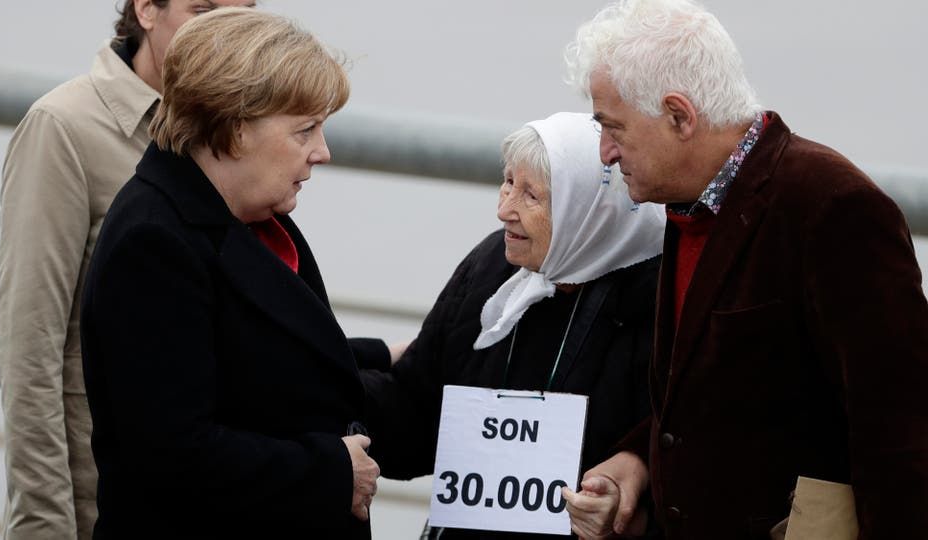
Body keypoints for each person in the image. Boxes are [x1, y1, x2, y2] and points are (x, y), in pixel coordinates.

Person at [559, 1, 928, 539]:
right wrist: (636, 461)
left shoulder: (832, 206)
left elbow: (901, 431)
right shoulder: (689, 204)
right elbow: (722, 395)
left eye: (613, 128)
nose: (605, 152)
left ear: (680, 116)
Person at [79, 8, 381, 538]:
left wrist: (384, 355)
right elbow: (173, 452)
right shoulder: (153, 243)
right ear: (237, 127)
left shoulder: (246, 217)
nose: (322, 152)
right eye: (305, 129)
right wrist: (333, 470)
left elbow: (257, 358)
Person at [0, 1, 255, 537]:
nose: (224, 34)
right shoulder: (65, 127)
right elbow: (30, 346)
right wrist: (43, 524)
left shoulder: (240, 136)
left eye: (243, 14)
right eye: (203, 10)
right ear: (146, 9)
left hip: (212, 496)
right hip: (100, 503)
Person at [361, 112, 667, 539]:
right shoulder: (494, 267)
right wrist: (324, 392)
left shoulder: (656, 299)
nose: (504, 209)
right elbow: (418, 408)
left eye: (531, 196)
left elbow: (678, 454)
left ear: (588, 210)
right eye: (507, 182)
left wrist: (625, 501)